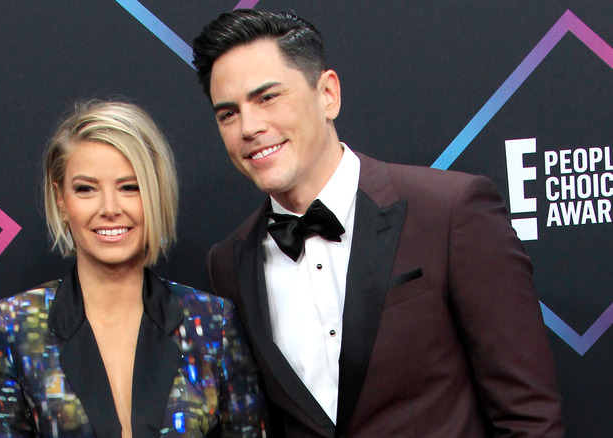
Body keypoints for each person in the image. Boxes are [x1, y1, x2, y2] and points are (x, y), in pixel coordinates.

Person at [192, 9, 563, 437]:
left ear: (328, 94)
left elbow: (529, 416)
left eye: (267, 98)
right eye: (228, 114)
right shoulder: (229, 263)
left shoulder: (450, 212)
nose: (250, 127)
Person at [0, 100, 267, 437]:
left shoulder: (212, 323)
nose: (109, 208)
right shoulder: (14, 327)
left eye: (129, 187)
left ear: (155, 194)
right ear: (60, 200)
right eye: (86, 189)